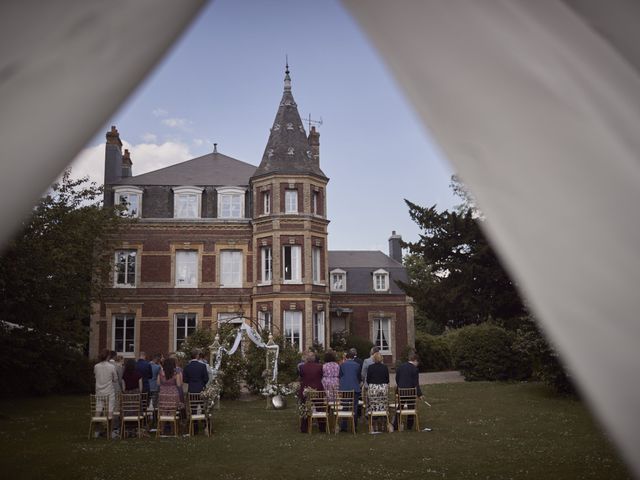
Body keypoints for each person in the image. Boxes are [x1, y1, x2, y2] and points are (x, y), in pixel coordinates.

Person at [394, 352, 423, 430]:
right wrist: (419, 394)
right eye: (418, 362)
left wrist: (400, 386)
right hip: (410, 392)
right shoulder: (415, 369)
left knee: (400, 407)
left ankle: (396, 424)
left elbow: (397, 379)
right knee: (411, 407)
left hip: (401, 391)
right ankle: (409, 426)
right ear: (415, 360)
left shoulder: (400, 367)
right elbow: (416, 383)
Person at [298, 351, 325, 433]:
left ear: (307, 358)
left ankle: (304, 427)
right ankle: (322, 427)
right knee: (319, 407)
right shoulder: (320, 366)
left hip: (306, 389)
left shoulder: (302, 367)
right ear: (314, 358)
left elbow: (301, 376)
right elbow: (321, 376)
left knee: (305, 408)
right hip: (318, 389)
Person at [94, 349, 118, 437]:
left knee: (98, 411)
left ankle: (96, 432)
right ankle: (110, 432)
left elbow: (96, 376)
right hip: (109, 392)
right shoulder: (111, 367)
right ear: (108, 356)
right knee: (110, 412)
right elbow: (115, 379)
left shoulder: (96, 366)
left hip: (99, 392)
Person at [338, 349, 362, 432]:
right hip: (355, 388)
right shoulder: (357, 365)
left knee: (345, 405)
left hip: (345, 388)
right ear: (353, 357)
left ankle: (344, 426)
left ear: (346, 357)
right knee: (354, 407)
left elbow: (340, 376)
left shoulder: (342, 365)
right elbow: (359, 377)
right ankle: (354, 425)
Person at [366, 351, 390, 432]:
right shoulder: (385, 367)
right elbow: (387, 379)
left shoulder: (370, 367)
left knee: (373, 405)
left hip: (373, 388)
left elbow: (368, 379)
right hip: (383, 388)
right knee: (383, 404)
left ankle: (375, 424)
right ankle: (383, 424)